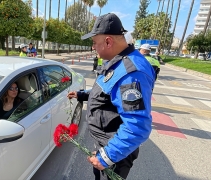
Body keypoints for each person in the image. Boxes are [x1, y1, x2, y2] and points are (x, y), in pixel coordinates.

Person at [67, 13, 156, 180]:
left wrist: (106, 157)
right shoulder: (117, 62)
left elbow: (137, 126)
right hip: (107, 145)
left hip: (115, 153)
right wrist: (82, 95)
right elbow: (108, 92)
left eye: (94, 43)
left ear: (108, 41)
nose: (93, 47)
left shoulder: (131, 73)